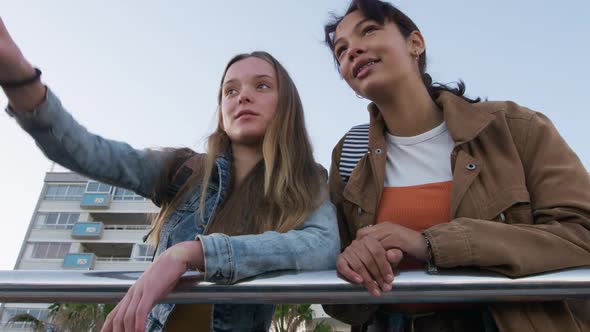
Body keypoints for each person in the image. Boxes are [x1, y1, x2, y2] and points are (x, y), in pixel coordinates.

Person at [0, 18, 340, 332]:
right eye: (230, 91)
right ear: (221, 111)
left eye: (262, 85)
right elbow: (87, 152)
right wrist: (19, 76)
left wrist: (190, 253)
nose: (243, 96)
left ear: (286, 104)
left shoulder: (306, 181)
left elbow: (322, 247)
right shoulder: (184, 169)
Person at [321, 0, 590, 331]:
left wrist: (431, 244)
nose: (352, 51)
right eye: (341, 51)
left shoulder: (513, 127)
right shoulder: (348, 155)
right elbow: (338, 302)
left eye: (369, 30)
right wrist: (350, 266)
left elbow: (582, 235)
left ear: (415, 43)